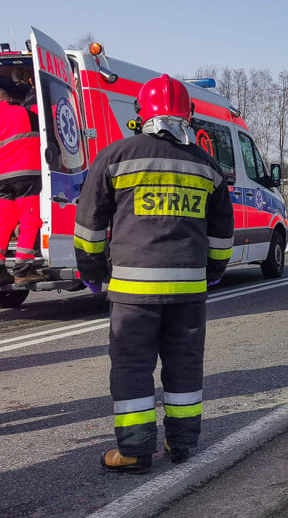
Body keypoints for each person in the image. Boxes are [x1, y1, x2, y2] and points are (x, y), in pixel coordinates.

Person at [74, 75, 234, 473]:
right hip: (188, 291)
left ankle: (133, 451)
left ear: (141, 114)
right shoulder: (206, 166)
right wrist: (212, 271)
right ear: (189, 115)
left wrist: (93, 272)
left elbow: (90, 226)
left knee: (131, 368)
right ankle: (180, 445)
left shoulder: (115, 156)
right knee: (184, 366)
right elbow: (221, 234)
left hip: (132, 292)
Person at [0, 88, 43, 285]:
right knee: (29, 220)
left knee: (4, 223)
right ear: (7, 99)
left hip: (2, 178)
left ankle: (1, 271)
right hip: (25, 174)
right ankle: (22, 271)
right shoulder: (22, 112)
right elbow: (44, 120)